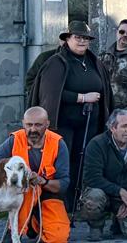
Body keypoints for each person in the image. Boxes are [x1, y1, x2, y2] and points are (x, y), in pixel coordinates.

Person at [33, 22, 112, 189]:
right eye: (77, 37)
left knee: (86, 160)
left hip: (90, 123)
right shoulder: (56, 63)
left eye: (85, 38)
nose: (82, 41)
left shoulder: (94, 62)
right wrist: (82, 97)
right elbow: (51, 93)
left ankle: (84, 199)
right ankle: (62, 200)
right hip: (63, 125)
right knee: (64, 161)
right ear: (68, 39)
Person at [0, 107, 71, 243]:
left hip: (48, 195)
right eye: (29, 125)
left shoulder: (58, 143)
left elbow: (64, 184)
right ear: (23, 123)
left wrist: (42, 181)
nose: (33, 129)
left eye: (38, 125)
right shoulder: (14, 140)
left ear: (47, 124)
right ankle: (13, 234)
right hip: (21, 191)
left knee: (58, 238)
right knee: (26, 188)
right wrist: (2, 176)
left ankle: (33, 224)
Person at [76, 108, 127, 241]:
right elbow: (92, 178)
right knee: (94, 197)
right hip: (102, 193)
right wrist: (120, 191)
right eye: (124, 126)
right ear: (112, 128)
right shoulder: (96, 144)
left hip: (126, 196)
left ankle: (119, 222)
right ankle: (96, 226)